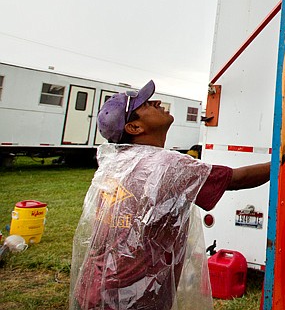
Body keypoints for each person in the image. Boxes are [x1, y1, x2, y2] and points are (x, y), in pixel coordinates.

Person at [69, 80, 270, 310]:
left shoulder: (116, 162)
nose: (155, 101)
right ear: (134, 128)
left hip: (94, 286)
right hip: (132, 298)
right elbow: (238, 179)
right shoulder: (167, 165)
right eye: (144, 104)